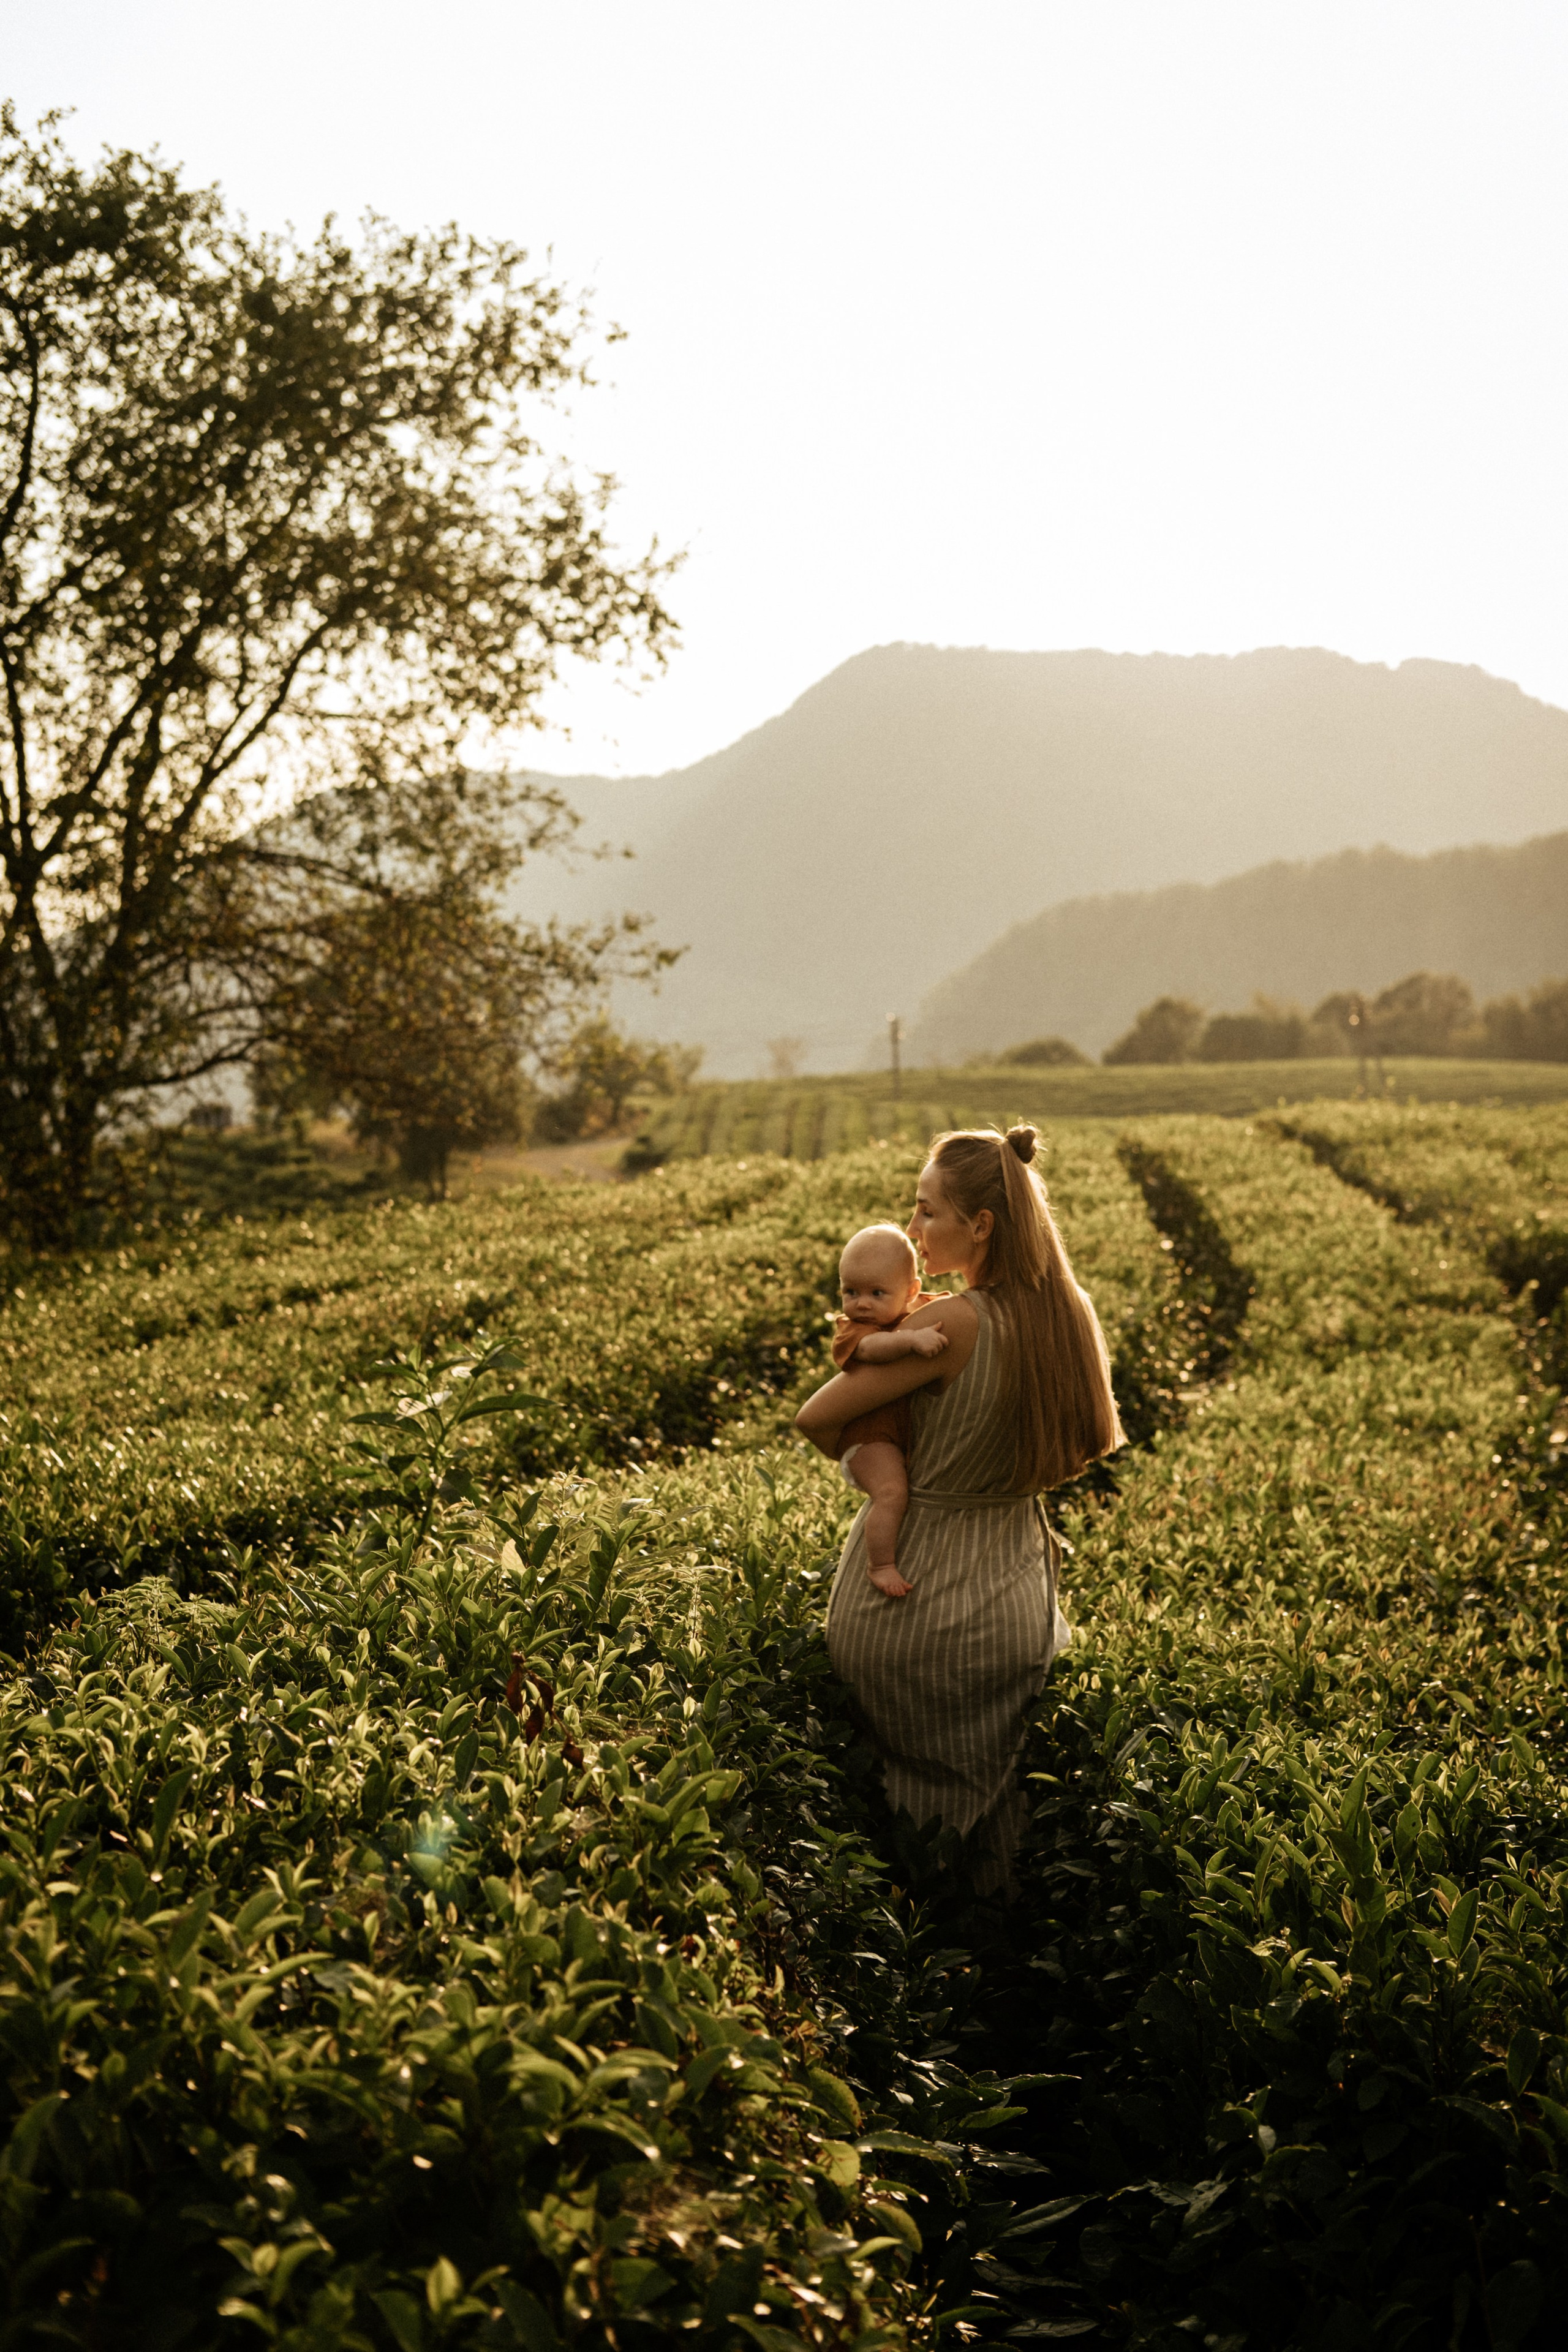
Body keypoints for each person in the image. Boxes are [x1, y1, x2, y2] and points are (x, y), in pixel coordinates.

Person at [795, 1125, 1123, 1892]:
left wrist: (882, 1473)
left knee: (901, 1836)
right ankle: (998, 1967)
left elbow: (815, 1417)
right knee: (996, 1810)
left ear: (980, 1226)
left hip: (917, 1592)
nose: (911, 1231)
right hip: (1014, 1592)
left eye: (927, 1212)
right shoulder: (1067, 1312)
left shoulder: (951, 1324)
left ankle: (910, 1991)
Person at [829, 1223, 949, 1599]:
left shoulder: (922, 1307)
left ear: (911, 1291)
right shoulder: (854, 1331)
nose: (861, 1303)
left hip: (899, 1436)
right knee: (892, 1493)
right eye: (851, 1292)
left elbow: (951, 1308)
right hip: (868, 1441)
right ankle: (880, 1564)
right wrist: (911, 1341)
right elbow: (873, 1350)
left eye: (877, 1293)